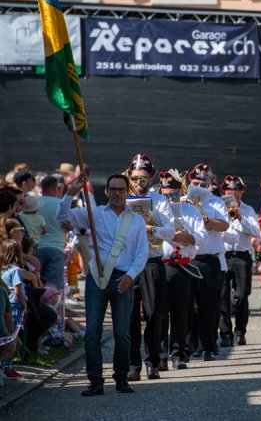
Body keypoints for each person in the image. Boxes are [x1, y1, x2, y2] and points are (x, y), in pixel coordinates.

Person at [57, 173, 149, 396]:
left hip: (122, 280)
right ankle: (95, 381)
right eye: (113, 189)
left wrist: (131, 275)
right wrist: (71, 192)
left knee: (122, 333)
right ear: (106, 191)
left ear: (127, 192)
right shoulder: (94, 213)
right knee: (92, 332)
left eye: (121, 189)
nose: (117, 193)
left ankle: (121, 378)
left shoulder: (136, 220)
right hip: (97, 278)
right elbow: (62, 217)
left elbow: (142, 252)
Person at [125, 154, 175, 381]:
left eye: (143, 179)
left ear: (151, 177)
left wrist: (151, 228)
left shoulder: (160, 201)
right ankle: (133, 364)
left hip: (151, 262)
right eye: (135, 178)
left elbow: (171, 231)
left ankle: (153, 361)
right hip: (126, 263)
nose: (138, 183)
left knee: (154, 314)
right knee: (130, 316)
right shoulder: (122, 198)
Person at [158, 170, 205, 370]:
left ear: (180, 193)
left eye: (174, 194)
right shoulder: (157, 211)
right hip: (161, 264)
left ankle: (179, 354)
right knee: (158, 313)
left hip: (182, 265)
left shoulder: (191, 211)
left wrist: (189, 238)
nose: (170, 199)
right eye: (166, 194)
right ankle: (159, 356)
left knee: (181, 312)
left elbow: (202, 236)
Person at [184, 164, 230, 361]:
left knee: (209, 306)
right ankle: (190, 345)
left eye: (203, 183)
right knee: (188, 305)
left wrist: (206, 220)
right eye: (196, 182)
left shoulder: (216, 202)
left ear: (209, 184)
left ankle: (208, 346)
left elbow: (224, 225)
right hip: (188, 258)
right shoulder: (183, 201)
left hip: (210, 260)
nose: (199, 185)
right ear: (190, 183)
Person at [219, 175, 261, 347]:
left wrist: (240, 217)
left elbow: (257, 232)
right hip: (223, 255)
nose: (234, 196)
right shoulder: (218, 208)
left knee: (243, 296)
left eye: (236, 193)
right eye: (230, 193)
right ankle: (225, 334)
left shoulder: (248, 209)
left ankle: (239, 332)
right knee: (222, 296)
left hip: (242, 256)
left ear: (241, 192)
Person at [35, 176, 69, 290]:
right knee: (52, 287)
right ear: (56, 188)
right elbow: (69, 225)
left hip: (36, 248)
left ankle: (39, 307)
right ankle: (50, 307)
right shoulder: (61, 204)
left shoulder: (34, 203)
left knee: (37, 283)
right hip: (56, 248)